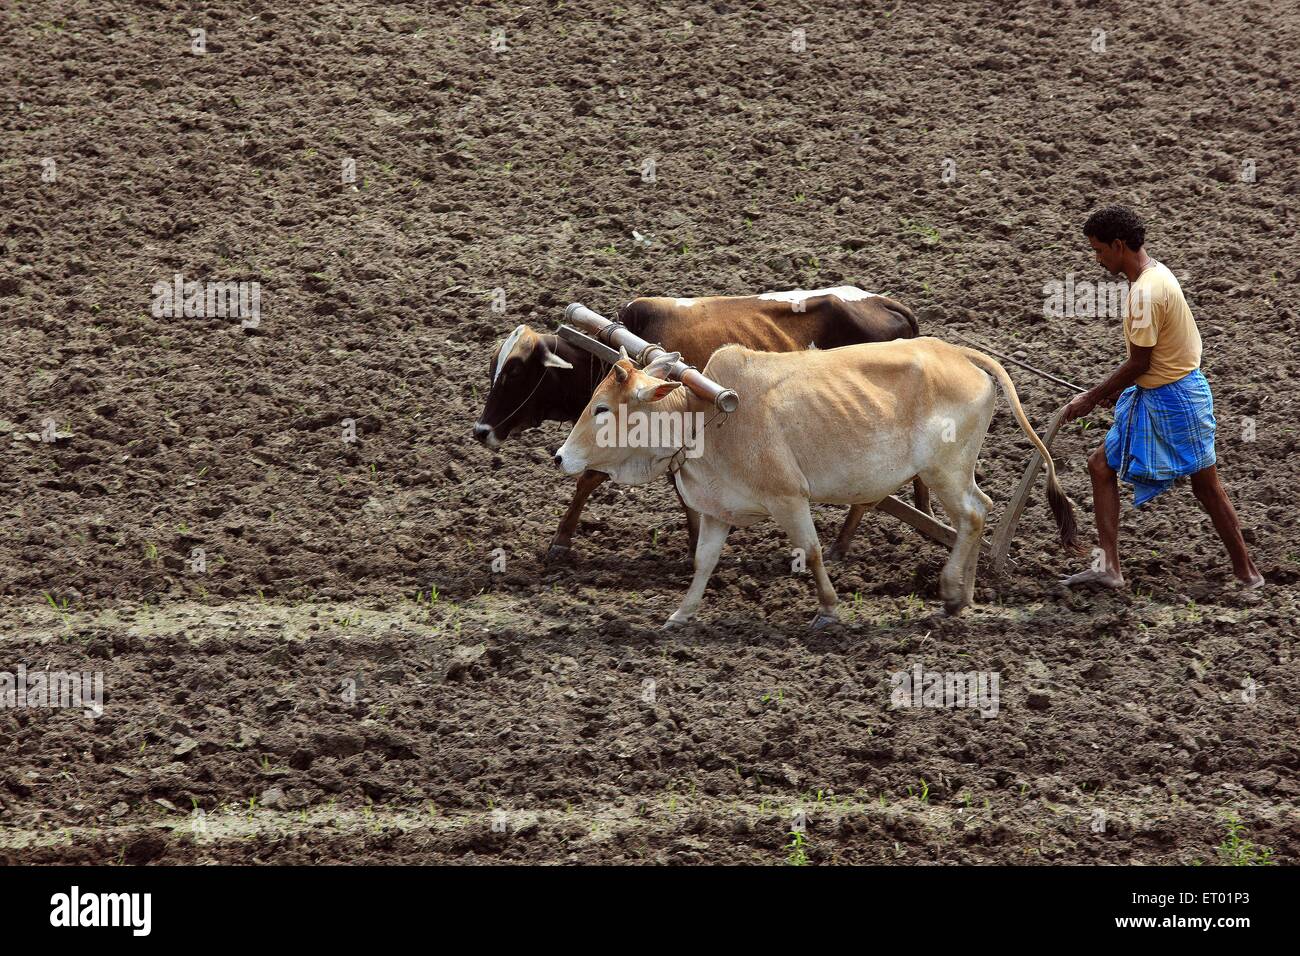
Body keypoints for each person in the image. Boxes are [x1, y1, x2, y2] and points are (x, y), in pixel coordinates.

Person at [1059, 204, 1263, 590]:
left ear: (1119, 245)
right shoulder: (1155, 274)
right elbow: (1147, 362)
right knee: (1101, 465)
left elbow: (1139, 361)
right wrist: (1114, 390)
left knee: (1206, 484)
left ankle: (1248, 572)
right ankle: (1109, 568)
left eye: (1099, 250)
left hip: (1177, 399)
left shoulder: (1146, 294)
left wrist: (1091, 397)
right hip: (1157, 391)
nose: (1097, 259)